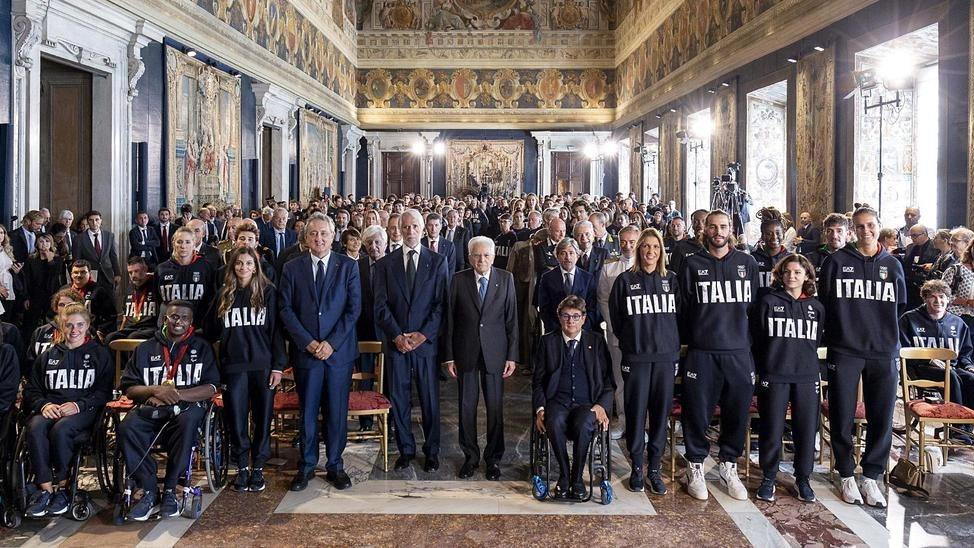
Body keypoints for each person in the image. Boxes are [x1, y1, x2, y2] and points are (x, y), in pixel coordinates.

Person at [818, 205, 906, 508]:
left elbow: (901, 306)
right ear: (853, 230)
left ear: (879, 225)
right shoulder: (836, 262)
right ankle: (845, 473)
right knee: (842, 413)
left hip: (883, 350)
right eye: (859, 226)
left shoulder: (893, 265)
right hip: (845, 348)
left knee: (881, 416)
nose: (865, 231)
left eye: (870, 225)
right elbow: (825, 303)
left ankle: (871, 474)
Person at [679, 209, 759, 501]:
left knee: (737, 412)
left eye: (723, 226)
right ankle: (696, 465)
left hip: (738, 351)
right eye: (712, 227)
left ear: (731, 229)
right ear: (705, 231)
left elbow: (753, 309)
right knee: (697, 412)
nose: (718, 231)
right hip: (702, 351)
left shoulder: (747, 263)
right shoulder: (692, 264)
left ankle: (728, 464)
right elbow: (684, 308)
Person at [279, 214, 361, 491]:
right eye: (313, 234)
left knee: (337, 412)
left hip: (337, 353)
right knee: (308, 412)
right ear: (306, 238)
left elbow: (353, 310)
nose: (319, 239)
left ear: (333, 236)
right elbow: (285, 309)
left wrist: (331, 343)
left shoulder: (348, 266)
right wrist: (308, 342)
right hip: (307, 353)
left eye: (324, 234)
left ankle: (335, 465)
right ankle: (306, 466)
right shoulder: (292, 268)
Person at [118, 301, 220, 521]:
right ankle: (149, 489)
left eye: (184, 318)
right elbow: (128, 387)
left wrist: (176, 395)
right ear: (165, 319)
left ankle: (171, 490)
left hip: (186, 409)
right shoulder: (145, 348)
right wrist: (155, 391)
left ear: (191, 322)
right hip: (151, 408)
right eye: (174, 317)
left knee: (188, 421)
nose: (178, 322)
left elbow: (211, 387)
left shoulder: (202, 347)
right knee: (127, 426)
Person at [374, 208, 449, 473]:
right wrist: (397, 335)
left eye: (414, 227)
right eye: (404, 227)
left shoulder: (438, 261)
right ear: (396, 230)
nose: (409, 232)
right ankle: (406, 449)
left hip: (425, 344)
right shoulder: (385, 263)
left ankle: (431, 450)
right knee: (399, 398)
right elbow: (380, 306)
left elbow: (441, 305)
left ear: (424, 228)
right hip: (397, 344)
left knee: (429, 399)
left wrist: (422, 335)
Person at [22, 304, 112, 517]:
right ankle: (45, 490)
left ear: (88, 325)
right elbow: (32, 390)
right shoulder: (48, 355)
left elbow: (104, 392)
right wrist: (44, 405)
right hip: (52, 407)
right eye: (69, 325)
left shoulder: (99, 354)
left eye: (80, 325)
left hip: (84, 409)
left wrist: (79, 405)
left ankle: (63, 486)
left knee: (60, 430)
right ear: (61, 326)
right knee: (34, 427)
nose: (74, 330)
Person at [608, 228, 679, 495]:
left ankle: (655, 469)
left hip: (665, 358)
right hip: (636, 357)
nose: (650, 252)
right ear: (639, 250)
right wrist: (632, 341)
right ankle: (637, 467)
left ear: (661, 252)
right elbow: (616, 318)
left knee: (660, 415)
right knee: (636, 413)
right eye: (646, 247)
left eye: (655, 247)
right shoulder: (625, 281)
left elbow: (678, 317)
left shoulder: (671, 280)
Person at [443, 236, 518, 481]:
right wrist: (449, 356)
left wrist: (512, 356)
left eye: (486, 255)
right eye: (477, 255)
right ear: (469, 257)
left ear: (494, 257)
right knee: (466, 407)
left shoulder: (506, 279)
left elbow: (512, 321)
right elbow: (450, 320)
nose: (481, 259)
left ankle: (493, 459)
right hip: (465, 352)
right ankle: (470, 457)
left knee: (495, 407)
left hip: (496, 353)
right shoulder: (457, 280)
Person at [752, 254, 824, 503]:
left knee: (805, 429)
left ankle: (803, 478)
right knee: (771, 428)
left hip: (806, 375)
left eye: (797, 272)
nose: (792, 276)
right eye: (787, 272)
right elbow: (758, 338)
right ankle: (769, 477)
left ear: (807, 276)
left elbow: (816, 342)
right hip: (774, 373)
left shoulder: (816, 307)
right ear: (780, 275)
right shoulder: (768, 302)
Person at [215, 247, 285, 492]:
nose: (243, 267)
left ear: (256, 266)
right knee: (236, 418)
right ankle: (243, 466)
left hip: (262, 365)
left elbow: (277, 332)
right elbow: (211, 330)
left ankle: (259, 468)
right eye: (239, 263)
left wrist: (278, 366)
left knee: (263, 418)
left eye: (248, 263)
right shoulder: (224, 294)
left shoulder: (268, 292)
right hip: (234, 367)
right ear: (232, 266)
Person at [532, 295, 615, 500]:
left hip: (587, 403)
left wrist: (602, 406)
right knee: (554, 420)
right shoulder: (548, 341)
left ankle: (577, 477)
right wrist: (540, 409)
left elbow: (608, 381)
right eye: (566, 316)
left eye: (576, 316)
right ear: (559, 318)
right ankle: (564, 474)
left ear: (584, 319)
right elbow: (538, 382)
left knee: (584, 422)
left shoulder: (595, 341)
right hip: (557, 401)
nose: (571, 321)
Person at [899, 280, 974, 426]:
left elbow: (965, 353)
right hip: (921, 368)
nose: (938, 300)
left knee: (971, 378)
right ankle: (956, 429)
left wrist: (969, 366)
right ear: (925, 298)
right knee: (951, 377)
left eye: (941, 296)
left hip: (952, 368)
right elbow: (903, 350)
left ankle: (969, 426)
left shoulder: (958, 323)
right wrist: (929, 360)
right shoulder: (909, 319)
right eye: (932, 296)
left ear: (947, 299)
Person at [597, 225, 639, 440]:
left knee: (641, 381)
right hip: (617, 332)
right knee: (620, 380)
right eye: (623, 242)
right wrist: (614, 325)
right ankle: (623, 423)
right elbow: (603, 299)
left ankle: (641, 426)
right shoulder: (610, 268)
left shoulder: (645, 266)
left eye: (632, 242)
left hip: (642, 335)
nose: (627, 246)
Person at [155, 227, 216, 330]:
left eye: (187, 242)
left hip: (197, 328)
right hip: (169, 328)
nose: (183, 246)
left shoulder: (205, 267)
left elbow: (210, 299)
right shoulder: (162, 269)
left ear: (194, 244)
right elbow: (158, 299)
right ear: (174, 243)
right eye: (179, 242)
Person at [535, 238, 597, 333]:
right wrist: (559, 330)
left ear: (577, 255)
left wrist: (579, 329)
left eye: (571, 253)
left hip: (582, 332)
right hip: (555, 332)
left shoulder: (588, 278)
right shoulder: (547, 278)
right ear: (557, 256)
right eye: (563, 253)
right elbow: (544, 309)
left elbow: (593, 308)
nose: (568, 258)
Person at [106, 257, 161, 344]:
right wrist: (121, 330)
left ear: (145, 269)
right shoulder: (130, 288)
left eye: (136, 271)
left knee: (133, 337)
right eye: (130, 273)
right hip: (131, 327)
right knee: (111, 337)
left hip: (149, 327)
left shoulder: (155, 284)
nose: (133, 276)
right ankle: (117, 358)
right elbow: (125, 316)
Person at [62, 259, 117, 339]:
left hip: (91, 333)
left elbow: (110, 316)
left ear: (90, 273)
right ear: (71, 274)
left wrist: (100, 331)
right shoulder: (64, 291)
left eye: (83, 272)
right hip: (67, 331)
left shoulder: (99, 291)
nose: (79, 275)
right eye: (76, 272)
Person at [23, 233, 64, 335]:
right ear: (37, 244)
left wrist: (50, 261)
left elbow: (54, 279)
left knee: (51, 325)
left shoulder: (58, 260)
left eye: (47, 241)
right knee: (30, 325)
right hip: (35, 296)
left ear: (51, 244)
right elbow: (27, 280)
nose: (44, 244)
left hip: (52, 296)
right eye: (41, 241)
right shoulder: (31, 260)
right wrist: (26, 297)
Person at [71, 210, 121, 291]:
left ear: (101, 221)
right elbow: (77, 260)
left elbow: (113, 256)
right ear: (88, 222)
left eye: (97, 220)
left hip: (107, 274)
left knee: (109, 300)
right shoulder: (79, 239)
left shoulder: (109, 236)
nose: (94, 223)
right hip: (90, 275)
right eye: (91, 220)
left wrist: (117, 273)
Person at [903, 224, 939, 309]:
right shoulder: (909, 247)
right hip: (910, 285)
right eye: (911, 236)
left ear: (925, 234)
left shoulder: (935, 247)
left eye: (915, 235)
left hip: (925, 284)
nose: (912, 238)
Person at [0, 223, 23, 322]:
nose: (0, 235)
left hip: (9, 288)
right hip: (1, 287)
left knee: (7, 321)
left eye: (1, 233)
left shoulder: (6, 249)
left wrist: (16, 271)